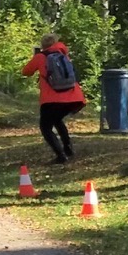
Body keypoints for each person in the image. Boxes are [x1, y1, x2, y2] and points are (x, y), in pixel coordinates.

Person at [21, 34, 86, 164]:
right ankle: (68, 149)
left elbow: (26, 72)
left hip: (51, 100)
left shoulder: (40, 56)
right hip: (74, 97)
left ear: (43, 45)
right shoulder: (64, 55)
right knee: (57, 119)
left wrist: (36, 59)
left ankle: (61, 155)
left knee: (45, 127)